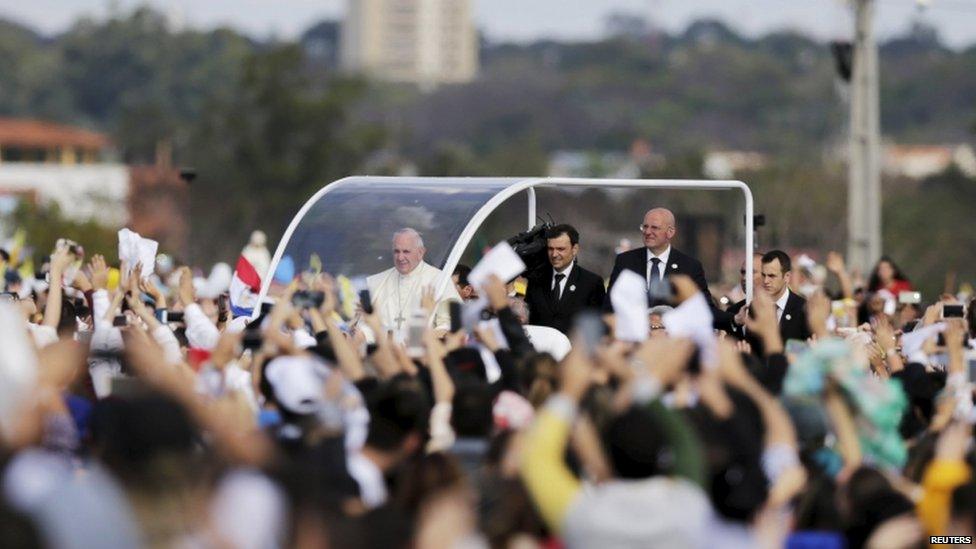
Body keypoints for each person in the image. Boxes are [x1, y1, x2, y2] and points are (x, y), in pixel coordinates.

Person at [605, 207, 711, 310]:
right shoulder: (625, 261)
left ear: (670, 232)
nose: (647, 232)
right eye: (645, 227)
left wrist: (727, 319)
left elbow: (704, 308)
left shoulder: (690, 266)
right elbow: (610, 305)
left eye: (654, 227)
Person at [366, 228, 461, 341]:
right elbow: (364, 325)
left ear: (420, 253)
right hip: (382, 352)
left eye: (406, 252)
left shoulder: (439, 280)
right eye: (396, 251)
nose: (400, 257)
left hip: (423, 353)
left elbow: (450, 323)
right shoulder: (377, 282)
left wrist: (420, 339)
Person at [524, 224, 606, 335]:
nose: (554, 254)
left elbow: (597, 327)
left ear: (575, 249)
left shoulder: (591, 283)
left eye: (560, 249)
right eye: (550, 249)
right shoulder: (536, 280)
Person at [759, 249, 810, 343]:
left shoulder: (803, 308)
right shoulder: (756, 308)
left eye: (772, 276)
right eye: (763, 275)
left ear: (787, 277)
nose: (766, 281)